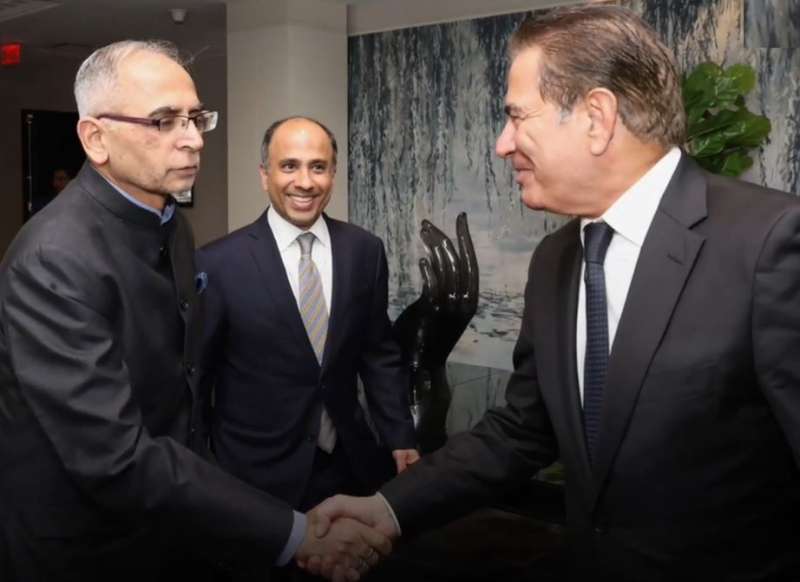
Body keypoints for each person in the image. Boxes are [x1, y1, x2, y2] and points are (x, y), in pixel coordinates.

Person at [310, 5, 800, 581]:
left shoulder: (771, 243)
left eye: (518, 117)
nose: (502, 144)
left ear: (597, 116)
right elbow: (523, 430)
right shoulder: (556, 259)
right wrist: (388, 509)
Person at [0, 40, 388, 582]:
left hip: (170, 524)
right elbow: (115, 458)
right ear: (95, 138)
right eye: (164, 121)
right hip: (88, 548)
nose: (193, 139)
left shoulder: (172, 226)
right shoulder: (54, 259)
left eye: (195, 118)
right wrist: (295, 534)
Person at [196, 117, 418, 519]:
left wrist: (400, 435)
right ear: (264, 175)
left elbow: (378, 354)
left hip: (350, 466)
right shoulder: (217, 264)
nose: (305, 182)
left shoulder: (364, 251)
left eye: (318, 167)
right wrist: (203, 468)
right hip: (253, 477)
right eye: (289, 166)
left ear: (333, 174)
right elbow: (198, 379)